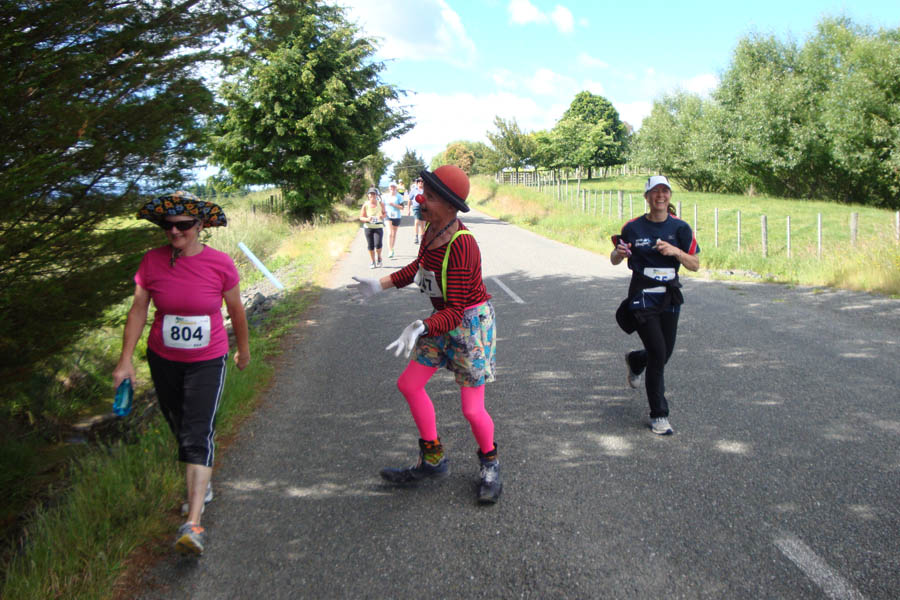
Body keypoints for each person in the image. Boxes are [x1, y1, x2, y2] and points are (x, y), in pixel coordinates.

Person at [348, 165, 501, 504]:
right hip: (440, 320)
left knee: (472, 409)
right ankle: (433, 459)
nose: (420, 199)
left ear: (449, 205)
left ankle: (490, 464)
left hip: (469, 325)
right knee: (409, 384)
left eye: (429, 196)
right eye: (422, 192)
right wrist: (380, 284)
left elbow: (457, 311)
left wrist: (421, 326)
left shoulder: (463, 246)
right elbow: (418, 270)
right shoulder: (432, 230)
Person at [113, 191, 250, 555]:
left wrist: (243, 349)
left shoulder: (220, 263)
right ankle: (201, 480)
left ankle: (193, 523)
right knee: (179, 425)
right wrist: (125, 360)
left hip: (208, 359)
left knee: (197, 432)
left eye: (184, 225)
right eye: (168, 225)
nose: (174, 231)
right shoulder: (151, 261)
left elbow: (236, 309)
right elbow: (138, 310)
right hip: (164, 359)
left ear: (200, 225)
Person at [610, 175, 700, 435]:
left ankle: (637, 360)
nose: (660, 196)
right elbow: (615, 258)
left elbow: (695, 264)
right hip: (642, 295)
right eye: (655, 192)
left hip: (669, 295)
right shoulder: (633, 228)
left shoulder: (680, 228)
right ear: (647, 197)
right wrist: (618, 254)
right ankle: (659, 415)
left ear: (669, 195)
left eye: (665, 191)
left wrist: (676, 252)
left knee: (664, 353)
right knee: (658, 354)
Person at [359, 187, 386, 268]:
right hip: (368, 227)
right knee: (370, 245)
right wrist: (368, 219)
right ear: (368, 195)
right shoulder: (365, 205)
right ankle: (373, 261)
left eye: (374, 194)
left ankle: (379, 257)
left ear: (376, 195)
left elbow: (385, 214)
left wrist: (382, 216)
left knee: (378, 244)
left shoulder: (380, 204)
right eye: (370, 194)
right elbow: (361, 217)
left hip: (378, 226)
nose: (372, 196)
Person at [383, 181, 406, 259]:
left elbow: (402, 207)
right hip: (388, 216)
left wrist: (394, 205)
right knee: (389, 233)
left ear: (396, 188)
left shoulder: (399, 196)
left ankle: (392, 248)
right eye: (391, 187)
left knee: (394, 233)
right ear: (389, 188)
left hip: (396, 216)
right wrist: (382, 212)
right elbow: (382, 205)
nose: (392, 188)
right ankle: (389, 250)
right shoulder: (385, 196)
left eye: (394, 187)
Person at [407, 176, 426, 245]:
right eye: (419, 181)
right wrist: (408, 209)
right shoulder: (414, 190)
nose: (420, 182)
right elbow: (409, 199)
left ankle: (422, 237)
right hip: (416, 207)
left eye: (422, 181)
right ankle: (416, 236)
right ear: (417, 183)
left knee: (423, 223)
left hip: (424, 207)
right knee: (417, 221)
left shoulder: (425, 190)